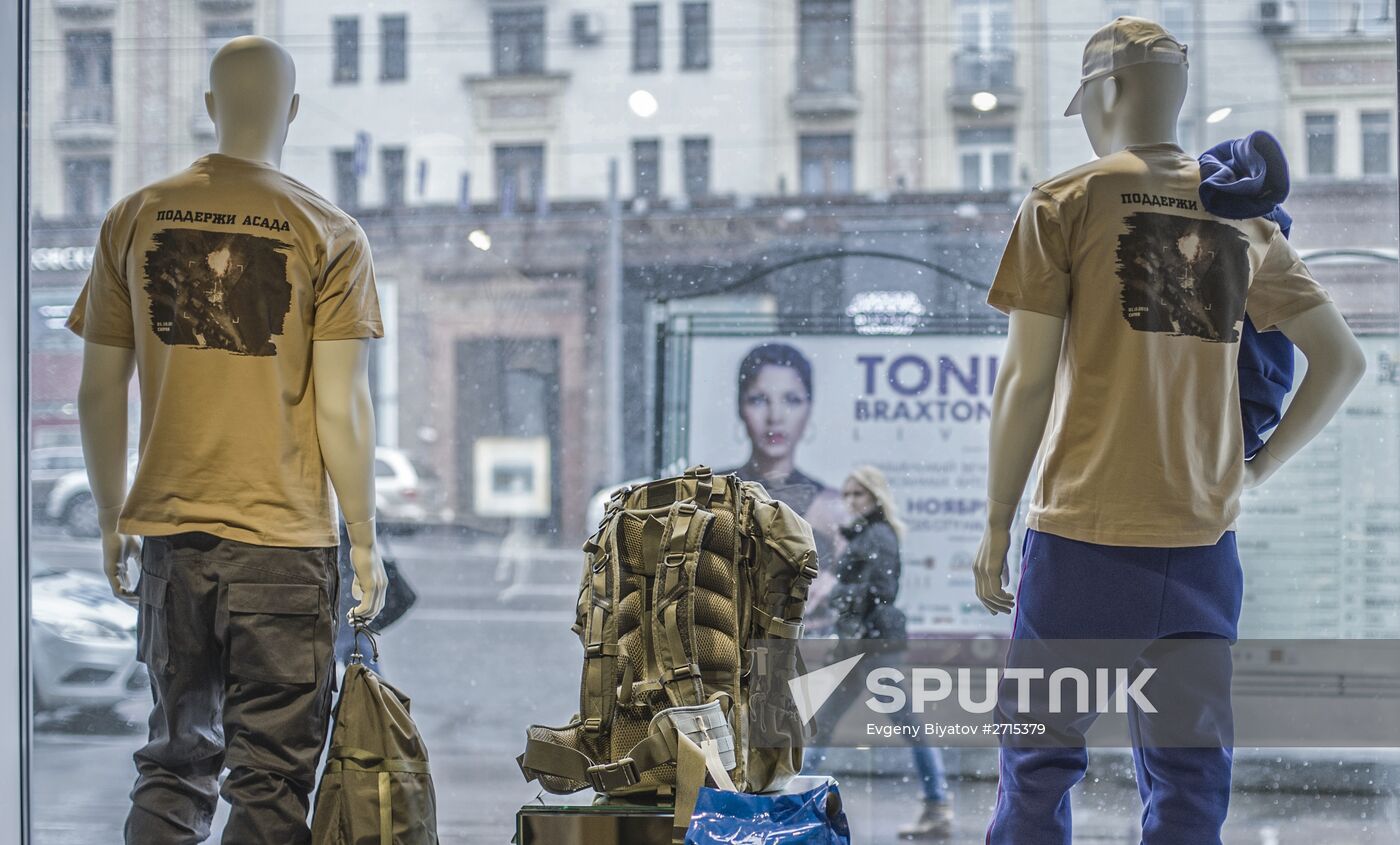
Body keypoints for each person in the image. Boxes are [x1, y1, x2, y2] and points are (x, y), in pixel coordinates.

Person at [811, 466, 954, 840]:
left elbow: (878, 592)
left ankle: (938, 804)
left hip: (874, 647)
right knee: (823, 724)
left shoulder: (876, 536)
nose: (850, 501)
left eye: (858, 494)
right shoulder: (867, 534)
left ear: (875, 497)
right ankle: (797, 801)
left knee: (905, 724)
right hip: (865, 645)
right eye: (847, 494)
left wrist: (837, 598)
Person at [718, 342, 846, 628]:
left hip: (811, 659)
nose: (775, 416)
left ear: (809, 408)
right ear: (740, 406)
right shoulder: (713, 495)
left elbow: (854, 602)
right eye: (759, 400)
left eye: (791, 400)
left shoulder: (834, 509)